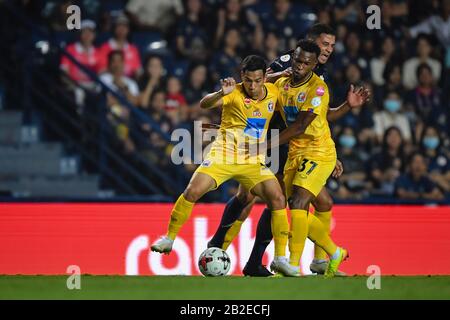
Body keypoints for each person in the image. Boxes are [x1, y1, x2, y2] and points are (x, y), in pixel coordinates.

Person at [207, 24, 369, 276]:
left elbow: (317, 117)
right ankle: (219, 247)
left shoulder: (318, 75)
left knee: (319, 201)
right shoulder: (288, 62)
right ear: (309, 42)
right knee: (251, 197)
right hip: (271, 134)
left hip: (294, 143)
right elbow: (256, 86)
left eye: (331, 46)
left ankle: (315, 260)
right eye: (325, 44)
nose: (329, 49)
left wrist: (327, 150)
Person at [151, 55, 298, 277]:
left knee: (278, 199)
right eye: (248, 80)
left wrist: (280, 75)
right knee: (192, 190)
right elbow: (204, 103)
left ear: (264, 77)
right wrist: (221, 93)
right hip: (223, 155)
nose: (253, 86)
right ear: (242, 77)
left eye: (258, 80)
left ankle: (279, 259)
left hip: (252, 160)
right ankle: (168, 239)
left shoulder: (274, 92)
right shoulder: (234, 93)